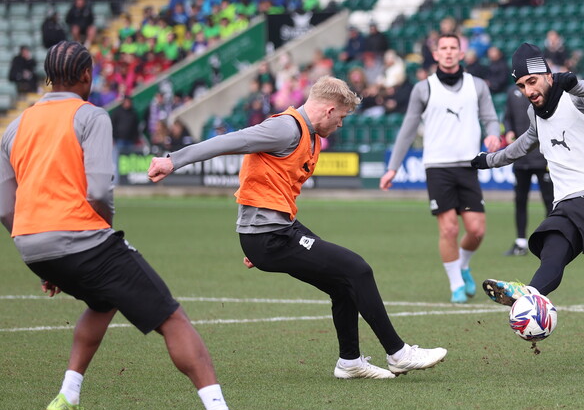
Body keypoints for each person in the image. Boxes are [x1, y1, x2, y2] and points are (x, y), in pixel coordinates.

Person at [0, 41, 268, 410]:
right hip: (82, 237)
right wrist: (99, 233)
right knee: (172, 318)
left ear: (48, 77)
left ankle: (67, 398)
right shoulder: (90, 116)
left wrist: (42, 250)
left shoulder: (15, 126)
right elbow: (98, 193)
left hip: (31, 244)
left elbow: (6, 205)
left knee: (103, 300)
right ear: (87, 76)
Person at [148, 76, 447, 379]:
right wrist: (173, 161)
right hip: (269, 236)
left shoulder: (310, 135)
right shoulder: (285, 128)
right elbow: (229, 141)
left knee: (344, 284)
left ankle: (350, 362)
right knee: (358, 269)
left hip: (275, 232)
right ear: (329, 110)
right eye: (341, 117)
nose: (341, 124)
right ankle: (398, 353)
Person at [471, 43, 584, 376]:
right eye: (521, 86)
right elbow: (525, 143)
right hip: (565, 200)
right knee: (551, 253)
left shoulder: (576, 97)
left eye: (533, 81)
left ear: (549, 76)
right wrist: (491, 160)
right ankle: (529, 295)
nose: (528, 90)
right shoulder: (536, 112)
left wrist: (575, 83)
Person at [379, 34, 502, 302]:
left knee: (477, 229)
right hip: (437, 167)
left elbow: (491, 119)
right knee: (448, 229)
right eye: (443, 48)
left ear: (461, 53)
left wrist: (493, 135)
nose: (448, 52)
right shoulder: (423, 89)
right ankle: (456, 284)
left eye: (453, 48)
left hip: (468, 166)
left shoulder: (477, 85)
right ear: (435, 54)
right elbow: (408, 130)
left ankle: (463, 264)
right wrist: (392, 168)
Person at [502, 83, 554, 256]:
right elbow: (507, 117)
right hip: (521, 156)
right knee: (520, 200)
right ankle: (521, 242)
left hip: (542, 156)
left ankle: (552, 242)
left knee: (550, 201)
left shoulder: (545, 89)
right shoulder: (512, 92)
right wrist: (509, 131)